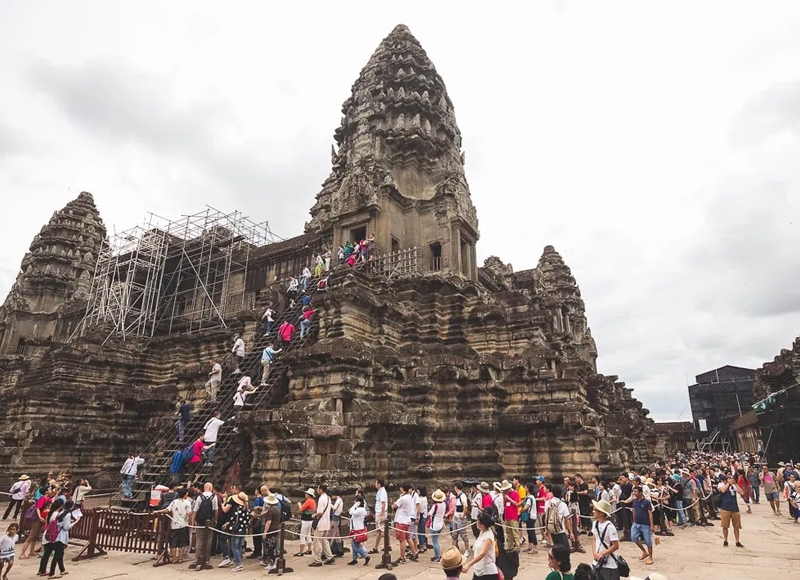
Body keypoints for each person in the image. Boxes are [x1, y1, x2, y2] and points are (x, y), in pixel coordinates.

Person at [154, 487, 192, 563]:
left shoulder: (174, 502)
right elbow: (189, 513)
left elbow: (167, 510)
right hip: (183, 524)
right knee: (182, 543)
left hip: (174, 524)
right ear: (185, 494)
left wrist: (158, 511)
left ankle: (174, 558)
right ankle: (180, 558)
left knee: (173, 542)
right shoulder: (187, 502)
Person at [189, 482, 219, 571]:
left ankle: (197, 559)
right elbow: (216, 510)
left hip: (200, 521)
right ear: (210, 488)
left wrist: (193, 522)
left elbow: (195, 510)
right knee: (209, 540)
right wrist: (215, 519)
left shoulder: (199, 497)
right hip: (209, 521)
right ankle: (206, 560)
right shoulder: (214, 497)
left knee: (199, 541)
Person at [19, 485, 54, 559]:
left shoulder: (47, 498)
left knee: (35, 535)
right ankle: (22, 553)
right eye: (49, 489)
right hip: (38, 519)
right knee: (32, 536)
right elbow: (38, 508)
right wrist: (40, 516)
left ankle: (32, 551)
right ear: (46, 491)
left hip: (42, 518)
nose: (50, 490)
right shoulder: (42, 499)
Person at [462, 512, 499, 579]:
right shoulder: (482, 532)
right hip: (479, 568)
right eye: (478, 521)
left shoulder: (488, 536)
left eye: (480, 523)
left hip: (487, 571)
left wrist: (468, 565)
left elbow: (482, 554)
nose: (478, 524)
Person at [591, 499, 620, 580]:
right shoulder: (595, 524)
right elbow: (594, 539)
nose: (593, 511)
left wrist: (602, 553)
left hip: (609, 564)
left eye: (595, 510)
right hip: (597, 561)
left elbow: (616, 545)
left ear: (601, 513)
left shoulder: (610, 527)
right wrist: (595, 553)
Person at [625, 486, 654, 565]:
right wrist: (634, 521)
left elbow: (650, 514)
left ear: (640, 493)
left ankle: (650, 557)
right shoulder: (634, 501)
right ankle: (644, 551)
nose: (634, 493)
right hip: (636, 523)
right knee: (634, 538)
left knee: (648, 541)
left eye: (636, 492)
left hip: (645, 524)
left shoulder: (646, 502)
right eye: (633, 491)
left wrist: (651, 525)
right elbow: (634, 511)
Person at [309, 484, 334, 567]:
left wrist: (314, 515)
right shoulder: (328, 498)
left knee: (317, 542)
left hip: (320, 523)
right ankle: (330, 557)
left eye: (318, 488)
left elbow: (320, 512)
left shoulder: (321, 499)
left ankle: (317, 560)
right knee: (324, 541)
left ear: (321, 490)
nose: (317, 490)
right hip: (326, 523)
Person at [718, 474, 744, 548]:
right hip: (725, 507)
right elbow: (723, 490)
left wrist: (735, 484)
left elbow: (741, 492)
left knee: (736, 526)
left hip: (734, 508)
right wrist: (728, 484)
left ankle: (737, 541)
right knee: (725, 526)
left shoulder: (734, 486)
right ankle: (725, 540)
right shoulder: (721, 484)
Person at [226, 492, 249, 572]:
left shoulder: (238, 508)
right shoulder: (246, 508)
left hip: (236, 530)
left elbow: (234, 519)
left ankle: (239, 564)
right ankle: (238, 562)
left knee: (234, 547)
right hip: (243, 529)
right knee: (239, 546)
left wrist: (228, 523)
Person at [261, 493, 282, 571]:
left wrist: (265, 532)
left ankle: (271, 563)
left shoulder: (270, 510)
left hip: (271, 531)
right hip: (276, 529)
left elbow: (268, 522)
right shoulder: (276, 509)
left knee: (270, 547)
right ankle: (272, 562)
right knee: (273, 547)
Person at [347, 494, 371, 566]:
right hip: (356, 528)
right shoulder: (360, 509)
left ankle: (366, 556)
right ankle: (354, 559)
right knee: (353, 544)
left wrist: (355, 505)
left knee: (356, 545)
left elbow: (351, 512)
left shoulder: (361, 510)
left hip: (358, 529)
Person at [500, 479, 520, 552]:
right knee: (508, 533)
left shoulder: (515, 493)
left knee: (515, 533)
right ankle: (510, 546)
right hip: (507, 516)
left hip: (513, 516)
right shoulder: (506, 494)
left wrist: (509, 499)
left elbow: (517, 504)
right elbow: (504, 505)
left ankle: (517, 547)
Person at [296, 488, 316, 557]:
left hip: (306, 520)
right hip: (310, 520)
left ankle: (301, 551)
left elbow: (301, 510)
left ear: (308, 495)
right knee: (308, 534)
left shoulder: (308, 501)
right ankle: (309, 549)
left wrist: (299, 505)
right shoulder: (313, 501)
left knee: (302, 535)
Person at [370, 478, 388, 555]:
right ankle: (388, 545)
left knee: (379, 530)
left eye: (376, 483)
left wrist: (382, 514)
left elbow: (383, 503)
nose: (375, 484)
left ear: (379, 484)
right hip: (379, 512)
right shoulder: (380, 491)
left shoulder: (382, 492)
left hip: (381, 512)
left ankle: (375, 547)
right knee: (382, 530)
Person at [452, 482, 470, 553]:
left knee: (463, 534)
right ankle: (453, 550)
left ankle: (467, 550)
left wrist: (463, 515)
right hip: (456, 517)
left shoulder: (462, 496)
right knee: (454, 535)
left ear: (456, 487)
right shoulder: (458, 496)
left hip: (460, 518)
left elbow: (465, 505)